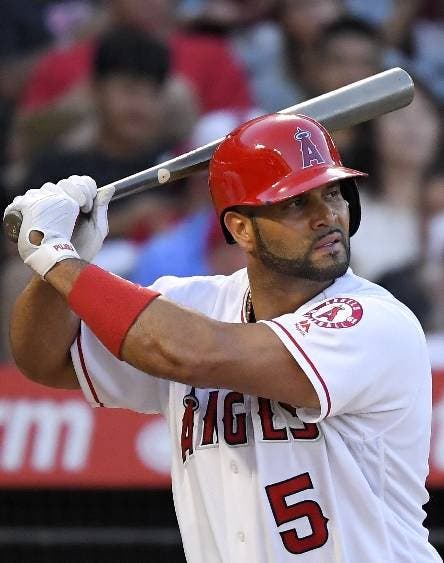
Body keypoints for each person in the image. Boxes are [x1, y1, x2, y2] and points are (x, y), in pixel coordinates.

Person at [6, 114, 441, 562]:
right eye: (295, 203)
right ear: (240, 229)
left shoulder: (373, 321)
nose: (325, 216)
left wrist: (56, 257)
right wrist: (51, 273)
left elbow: (196, 353)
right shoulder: (192, 304)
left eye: (332, 193)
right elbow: (44, 360)